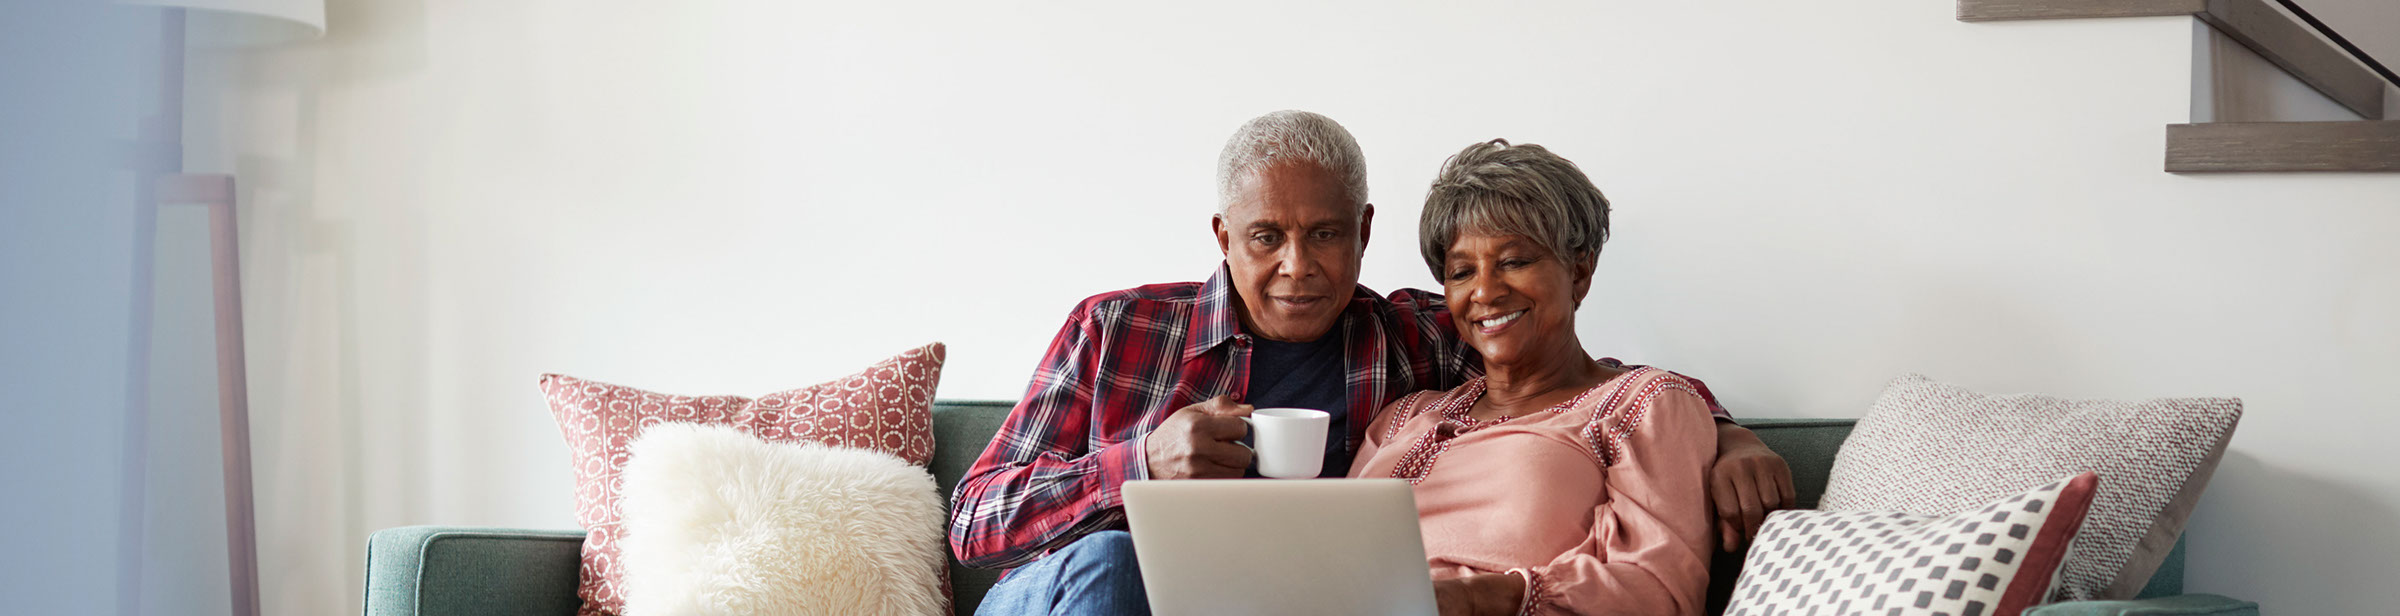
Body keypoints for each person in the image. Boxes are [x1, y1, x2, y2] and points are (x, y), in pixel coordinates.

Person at [948, 111, 1790, 616]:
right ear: (1222, 238)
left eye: (1325, 234)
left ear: (1364, 232)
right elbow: (974, 522)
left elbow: (1580, 376)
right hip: (1069, 597)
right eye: (1266, 237)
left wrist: (1732, 437)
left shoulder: (1410, 343)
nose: (1298, 267)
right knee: (1114, 566)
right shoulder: (1119, 328)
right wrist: (1137, 463)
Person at [1351, 139, 1714, 616]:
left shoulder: (1642, 405)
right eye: (1462, 272)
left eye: (1514, 262)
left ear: (1580, 271)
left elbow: (1658, 589)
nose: (1485, 291)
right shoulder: (1404, 417)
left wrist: (1480, 598)